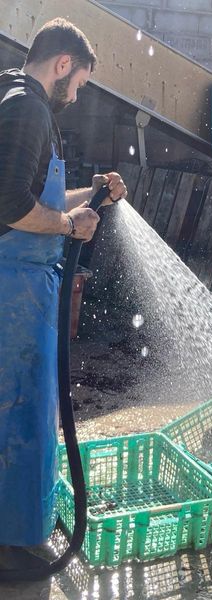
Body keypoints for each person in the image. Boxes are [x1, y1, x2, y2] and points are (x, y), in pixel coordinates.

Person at [0, 18, 127, 561]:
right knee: (21, 414)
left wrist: (92, 194)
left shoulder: (16, 98)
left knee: (23, 411)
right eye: (77, 85)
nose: (75, 97)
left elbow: (35, 197)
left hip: (21, 286)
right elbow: (8, 205)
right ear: (62, 64)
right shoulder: (27, 109)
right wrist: (70, 225)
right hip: (13, 292)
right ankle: (17, 544)